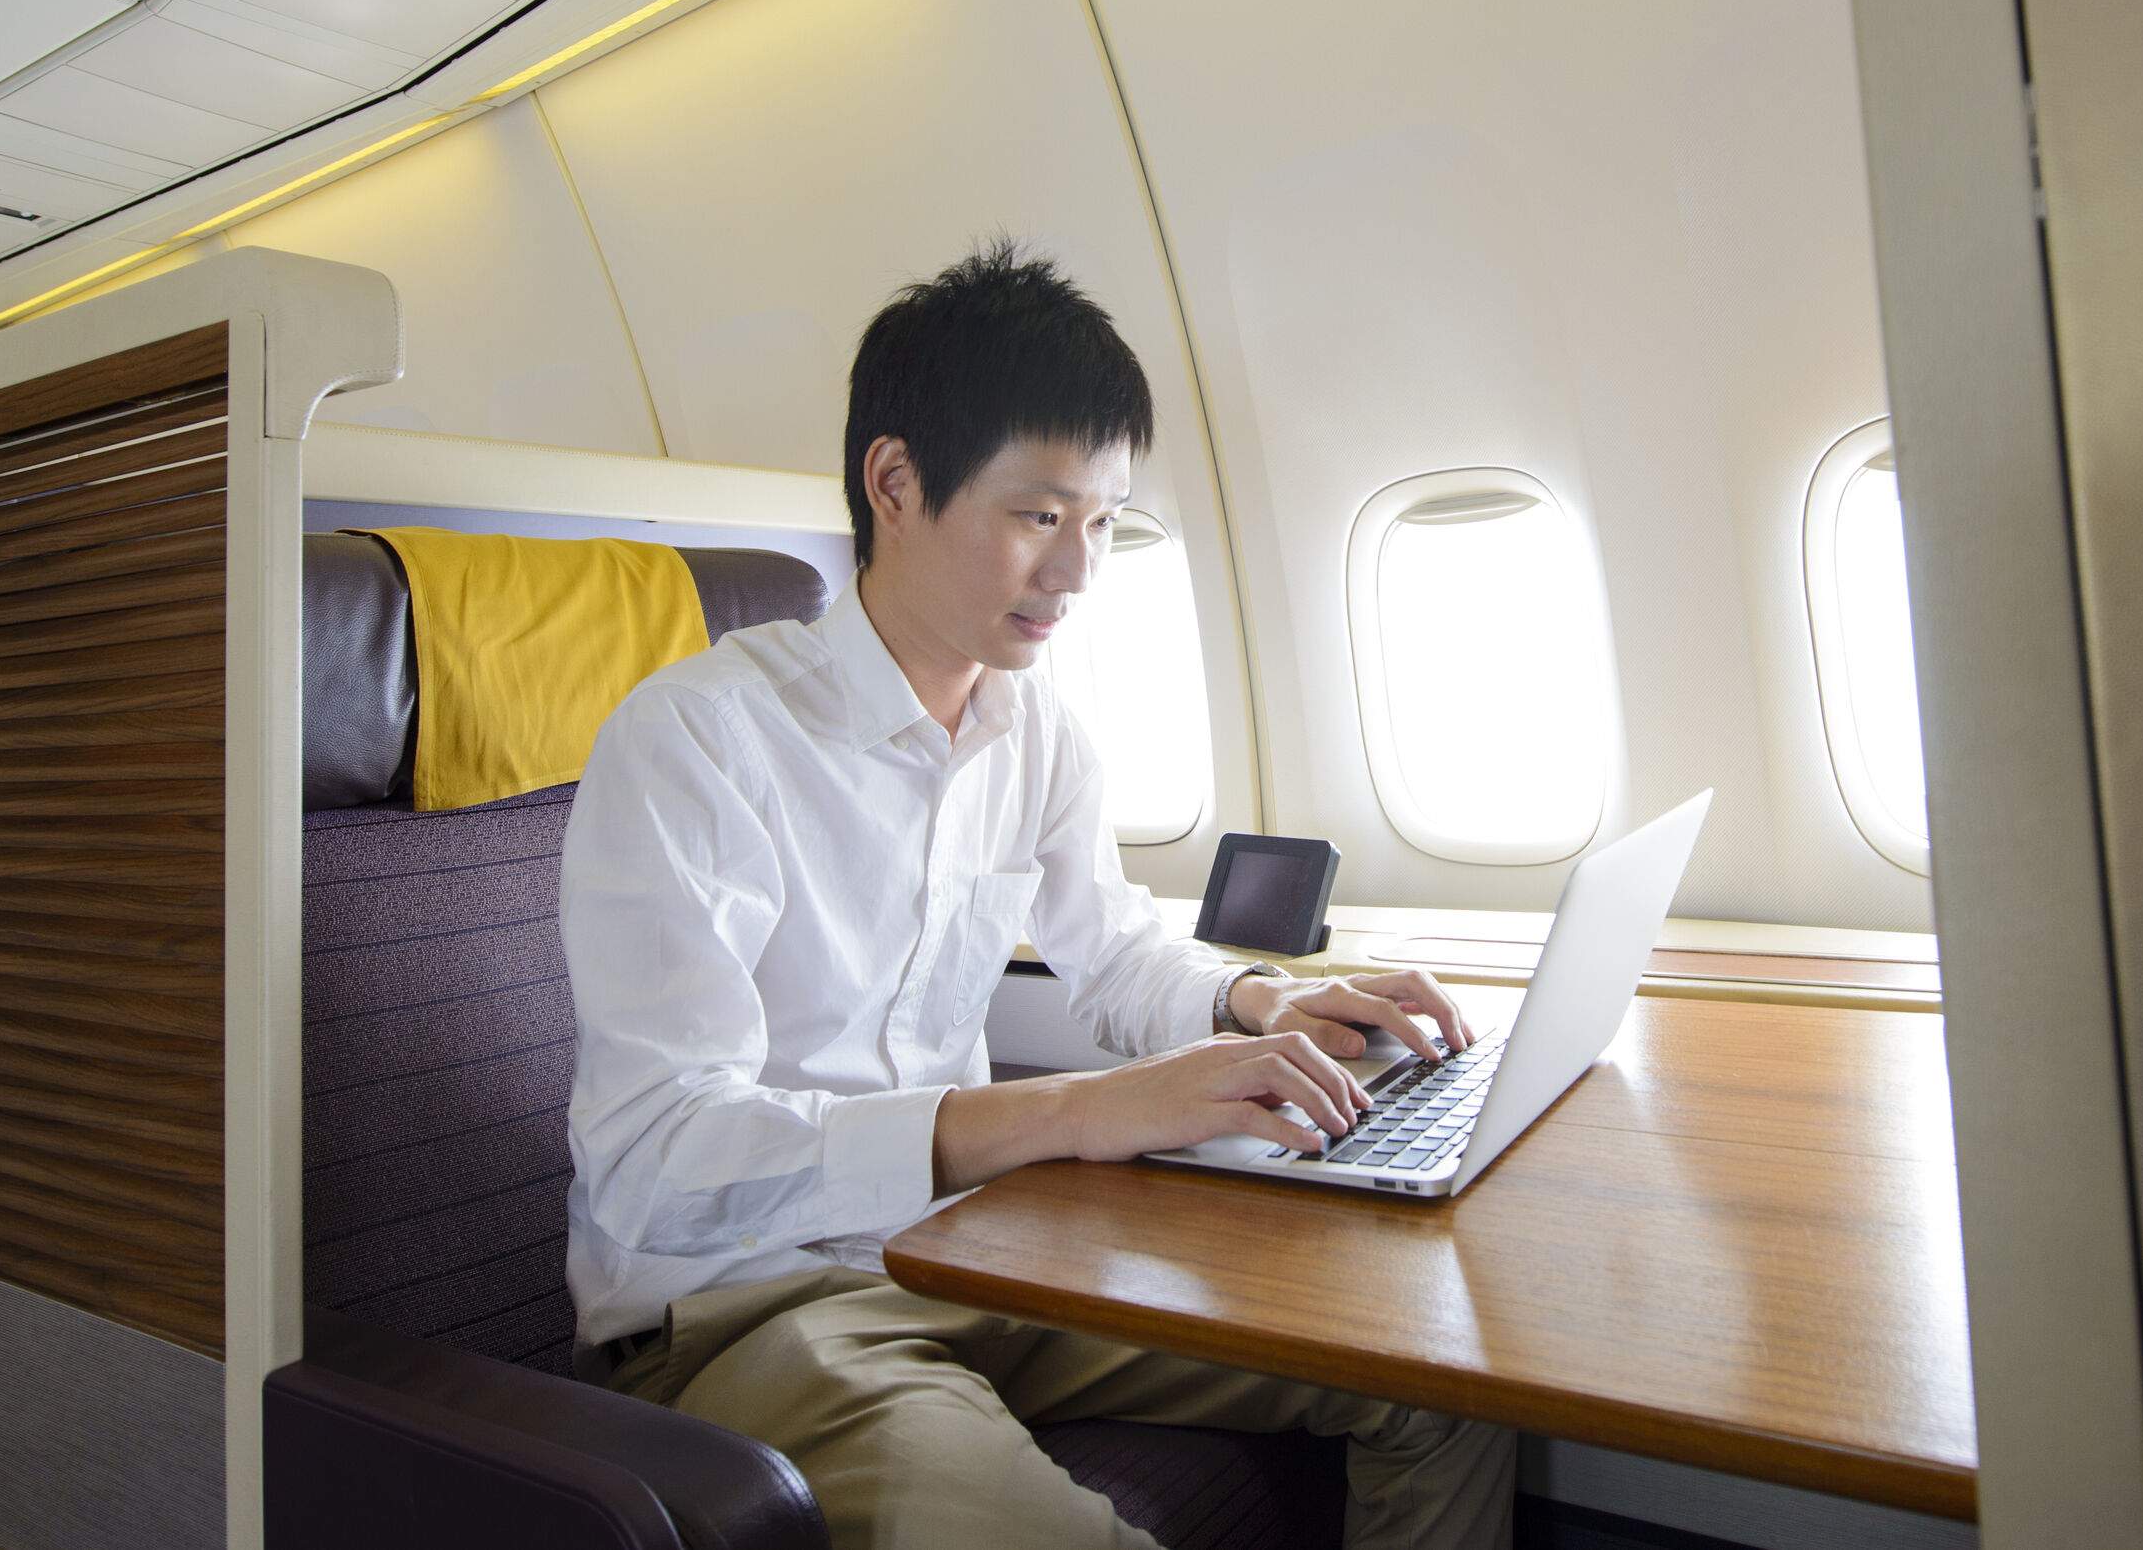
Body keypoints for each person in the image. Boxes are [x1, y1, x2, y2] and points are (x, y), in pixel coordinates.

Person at [561, 239, 1518, 1548]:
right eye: (1038, 514)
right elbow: (662, 1161)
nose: (1077, 572)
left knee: (1437, 1373)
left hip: (984, 1250)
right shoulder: (699, 740)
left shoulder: (1039, 730)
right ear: (895, 482)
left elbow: (1113, 954)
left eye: (1105, 522)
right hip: (750, 1308)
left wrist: (1260, 1000)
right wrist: (1076, 1111)